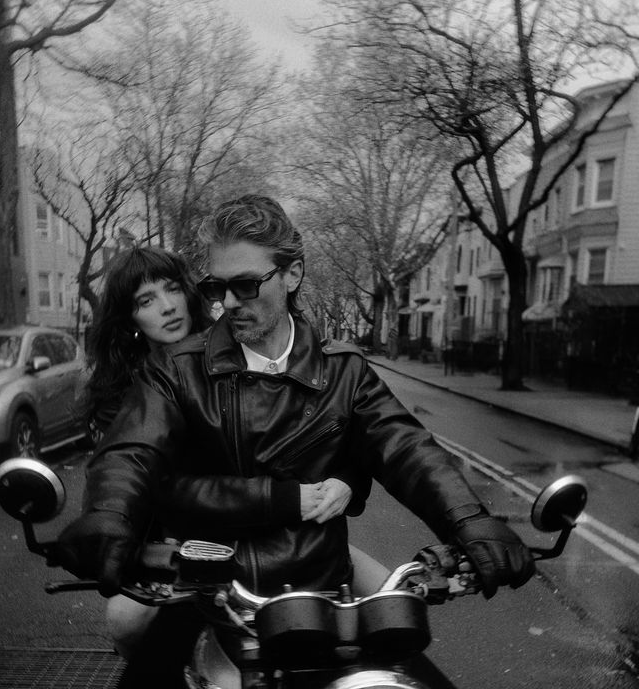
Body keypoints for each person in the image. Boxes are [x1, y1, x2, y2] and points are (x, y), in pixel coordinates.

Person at [59, 195, 535, 683]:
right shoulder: (174, 369)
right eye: (217, 287)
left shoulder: (345, 369)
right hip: (210, 592)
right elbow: (132, 451)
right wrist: (108, 514)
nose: (228, 302)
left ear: (293, 275)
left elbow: (405, 446)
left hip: (324, 590)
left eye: (245, 284)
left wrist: (470, 521)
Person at [79, 245, 378, 662]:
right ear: (129, 318)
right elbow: (152, 483)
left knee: (389, 607)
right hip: (178, 542)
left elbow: (318, 434)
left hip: (280, 534)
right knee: (130, 626)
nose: (167, 308)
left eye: (172, 290)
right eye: (147, 300)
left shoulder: (240, 349)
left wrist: (347, 478)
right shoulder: (126, 396)